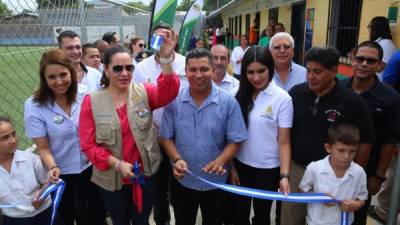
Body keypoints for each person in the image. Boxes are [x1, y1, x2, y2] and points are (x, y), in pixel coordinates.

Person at [78, 31, 180, 225]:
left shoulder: (144, 92)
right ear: (106, 70)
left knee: (141, 220)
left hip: (145, 176)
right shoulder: (91, 102)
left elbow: (169, 92)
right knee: (120, 220)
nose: (124, 73)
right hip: (111, 180)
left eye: (129, 68)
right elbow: (88, 145)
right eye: (117, 68)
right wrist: (117, 164)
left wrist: (166, 59)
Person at [280, 46, 374, 225]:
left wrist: (352, 173)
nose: (311, 76)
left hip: (335, 176)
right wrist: (285, 173)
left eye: (317, 72)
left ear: (334, 71)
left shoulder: (353, 102)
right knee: (291, 219)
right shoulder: (295, 94)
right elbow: (284, 135)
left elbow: (365, 142)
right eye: (308, 71)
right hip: (298, 171)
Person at [160, 48, 248, 225]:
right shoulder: (174, 101)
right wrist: (177, 159)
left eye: (204, 69)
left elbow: (236, 139)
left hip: (216, 183)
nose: (198, 75)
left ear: (213, 70)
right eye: (193, 70)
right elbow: (165, 137)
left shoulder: (228, 102)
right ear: (185, 72)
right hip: (183, 179)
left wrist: (220, 161)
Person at [24, 48, 107, 225]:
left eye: (63, 74)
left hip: (90, 167)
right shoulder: (34, 105)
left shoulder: (85, 94)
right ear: (44, 79)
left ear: (71, 72)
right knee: (69, 215)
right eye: (52, 77)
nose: (59, 81)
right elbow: (43, 147)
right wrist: (52, 166)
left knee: (97, 212)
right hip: (60, 172)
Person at [341, 41, 400, 225]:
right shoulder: (338, 88)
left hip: (366, 171)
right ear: (352, 59)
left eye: (371, 61)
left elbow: (389, 141)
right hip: (332, 168)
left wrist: (379, 176)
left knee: (356, 218)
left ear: (380, 65)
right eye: (360, 58)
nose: (364, 64)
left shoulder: (390, 98)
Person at [133, 23, 187, 225]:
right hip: (154, 137)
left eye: (167, 37)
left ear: (174, 39)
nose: (163, 41)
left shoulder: (185, 63)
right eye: (158, 37)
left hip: (181, 135)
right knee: (158, 187)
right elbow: (136, 100)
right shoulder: (141, 67)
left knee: (181, 184)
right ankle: (162, 220)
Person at [231, 46, 291, 225]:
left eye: (261, 71)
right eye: (250, 72)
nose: (256, 77)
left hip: (268, 170)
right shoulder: (239, 95)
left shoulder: (282, 99)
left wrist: (284, 176)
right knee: (239, 214)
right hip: (241, 167)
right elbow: (232, 136)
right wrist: (232, 166)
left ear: (270, 68)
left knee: (262, 216)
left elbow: (285, 142)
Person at [299, 122, 368, 225]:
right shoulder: (314, 168)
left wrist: (355, 205)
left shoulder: (359, 173)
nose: (346, 156)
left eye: (352, 151)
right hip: (316, 222)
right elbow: (302, 191)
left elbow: (362, 199)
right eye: (341, 150)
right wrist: (319, 197)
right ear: (328, 148)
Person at [0, 117, 52, 225]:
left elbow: (47, 181)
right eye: (5, 138)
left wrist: (41, 195)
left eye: (13, 134)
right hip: (14, 219)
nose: (13, 140)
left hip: (44, 213)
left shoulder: (30, 159)